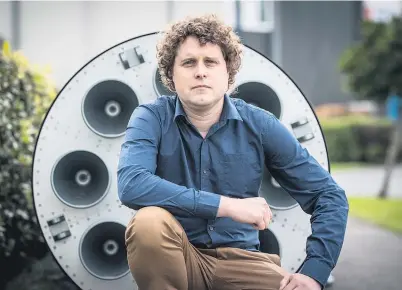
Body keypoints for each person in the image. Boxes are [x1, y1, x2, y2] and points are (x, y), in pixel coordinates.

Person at [117, 14, 349, 290]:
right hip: (178, 259)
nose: (200, 72)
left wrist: (314, 272)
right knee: (148, 223)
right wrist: (227, 206)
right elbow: (131, 185)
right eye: (189, 62)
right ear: (170, 73)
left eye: (211, 62)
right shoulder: (150, 118)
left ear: (228, 72)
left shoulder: (260, 124)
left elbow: (329, 195)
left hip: (243, 262)